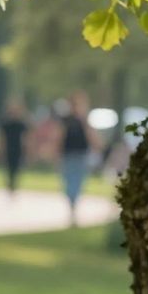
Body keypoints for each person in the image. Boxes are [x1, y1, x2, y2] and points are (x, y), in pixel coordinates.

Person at [59, 93, 98, 225]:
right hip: (68, 154)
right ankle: (72, 204)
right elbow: (60, 136)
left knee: (79, 181)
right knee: (68, 180)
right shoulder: (66, 120)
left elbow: (91, 136)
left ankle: (74, 205)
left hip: (81, 155)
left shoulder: (84, 120)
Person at [0, 99, 30, 194]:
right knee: (8, 168)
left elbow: (26, 138)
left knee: (17, 168)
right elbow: (2, 138)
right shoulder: (6, 123)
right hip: (8, 149)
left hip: (18, 149)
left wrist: (28, 149)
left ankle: (14, 185)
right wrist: (0, 149)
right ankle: (10, 185)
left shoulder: (22, 124)